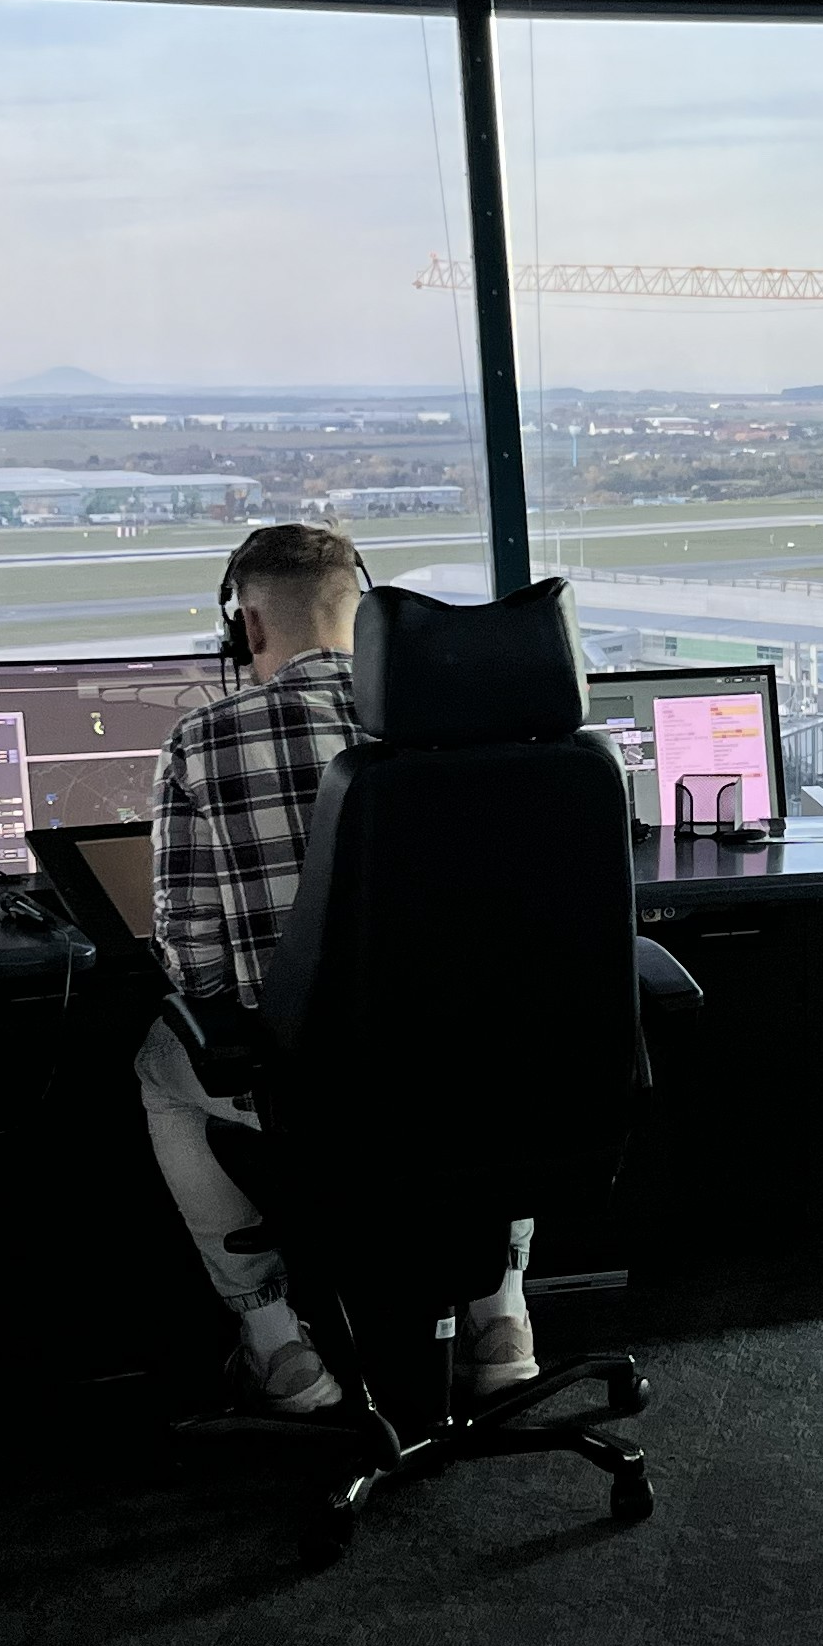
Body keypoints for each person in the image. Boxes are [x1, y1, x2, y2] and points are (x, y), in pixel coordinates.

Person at [144, 523, 534, 1415]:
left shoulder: (201, 741)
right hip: (477, 1077)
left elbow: (196, 966)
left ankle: (276, 1344)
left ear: (245, 628)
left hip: (321, 1091)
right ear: (362, 616)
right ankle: (502, 1314)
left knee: (160, 1069)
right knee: (499, 1056)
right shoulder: (467, 719)